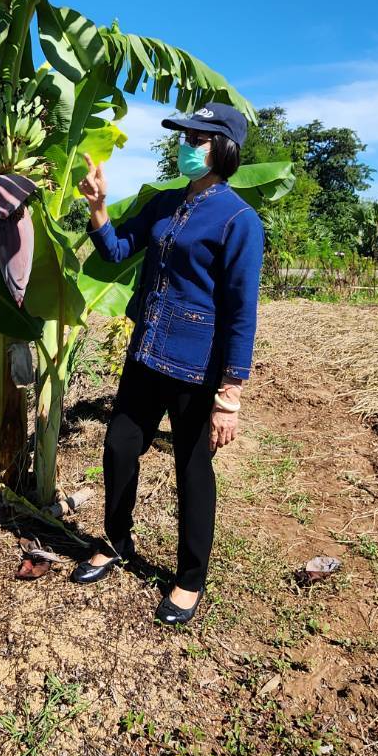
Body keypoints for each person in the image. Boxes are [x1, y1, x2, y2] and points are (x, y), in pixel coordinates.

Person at [70, 102, 263, 625]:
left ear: (222, 149)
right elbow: (114, 251)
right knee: (118, 447)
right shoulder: (163, 204)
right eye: (184, 137)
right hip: (146, 352)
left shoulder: (240, 220)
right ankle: (116, 541)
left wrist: (231, 393)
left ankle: (190, 578)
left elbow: (242, 311)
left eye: (197, 139)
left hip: (197, 366)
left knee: (192, 468)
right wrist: (99, 208)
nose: (186, 146)